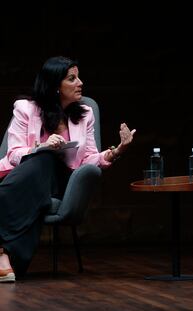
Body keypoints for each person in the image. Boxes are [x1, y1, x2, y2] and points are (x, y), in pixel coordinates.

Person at [0, 56, 136, 282]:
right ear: (55, 86)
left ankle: (3, 251)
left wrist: (117, 151)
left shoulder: (85, 114)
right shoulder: (25, 108)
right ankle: (7, 259)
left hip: (61, 181)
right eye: (72, 78)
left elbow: (89, 158)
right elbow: (13, 154)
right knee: (42, 159)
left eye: (78, 77)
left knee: (47, 161)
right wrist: (43, 147)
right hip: (25, 176)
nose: (80, 82)